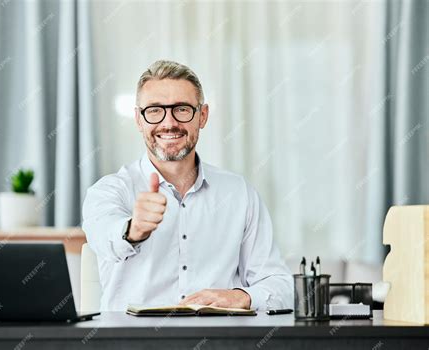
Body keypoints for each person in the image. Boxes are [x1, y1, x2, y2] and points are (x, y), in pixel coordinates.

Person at [82, 60, 293, 311]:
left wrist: (242, 296)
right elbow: (104, 236)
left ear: (202, 116)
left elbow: (280, 287)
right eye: (154, 110)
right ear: (139, 119)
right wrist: (133, 229)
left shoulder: (239, 193)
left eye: (182, 109)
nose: (169, 122)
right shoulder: (108, 192)